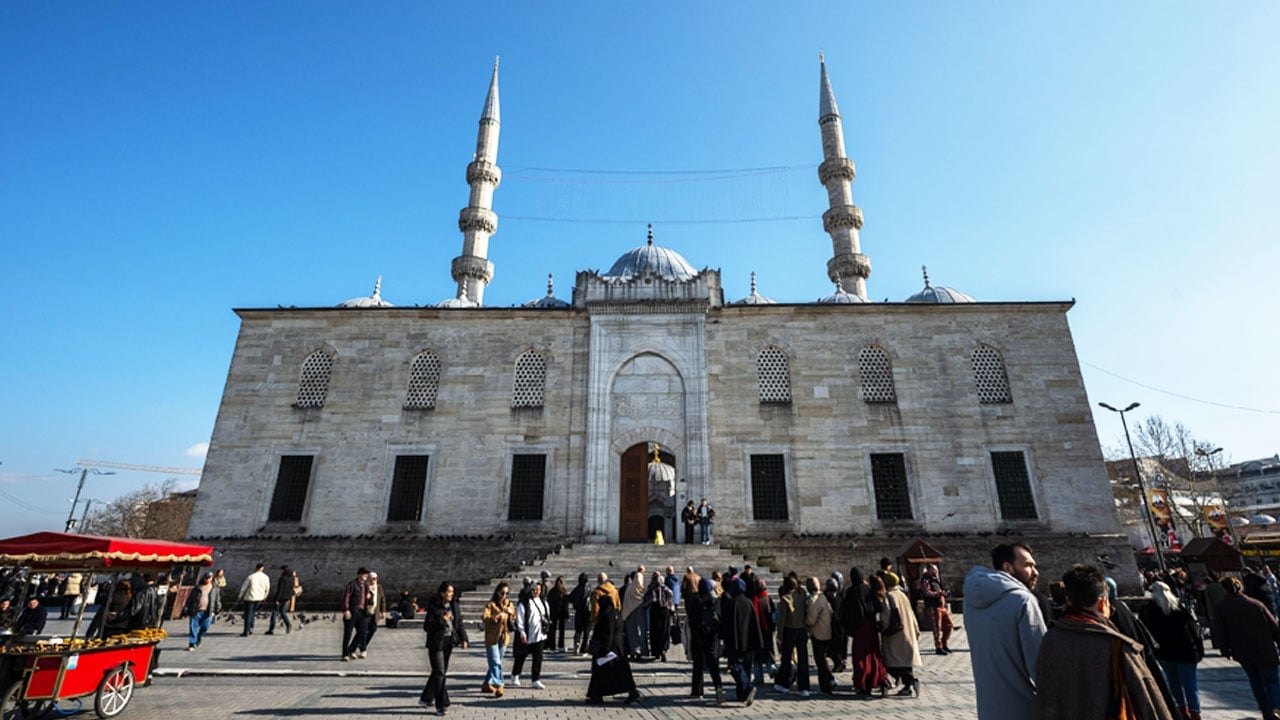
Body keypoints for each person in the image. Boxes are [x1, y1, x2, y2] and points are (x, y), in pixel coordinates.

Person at [1035, 564, 1176, 720]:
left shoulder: (1050, 639)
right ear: (1102, 603)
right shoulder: (1116, 646)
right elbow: (1148, 702)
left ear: (1069, 601)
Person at [963, 542, 1047, 720]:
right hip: (1025, 708)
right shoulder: (1024, 601)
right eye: (1028, 565)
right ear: (1008, 567)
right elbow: (1041, 665)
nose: (1035, 571)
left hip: (989, 709)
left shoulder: (969, 601)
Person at [1213, 575, 1280, 719]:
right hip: (1265, 649)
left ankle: (1266, 711)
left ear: (1224, 590)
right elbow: (1274, 627)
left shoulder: (1221, 608)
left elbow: (1221, 632)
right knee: (1272, 681)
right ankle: (1277, 708)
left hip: (1243, 651)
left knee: (1256, 682)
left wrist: (1225, 650)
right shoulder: (1256, 604)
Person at [1140, 580, 1204, 720]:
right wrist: (1199, 649)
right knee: (1190, 683)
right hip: (1186, 651)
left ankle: (1181, 709)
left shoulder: (1148, 609)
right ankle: (1195, 712)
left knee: (1173, 681)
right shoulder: (1179, 607)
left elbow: (1145, 632)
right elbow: (1194, 631)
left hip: (1164, 652)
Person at [419, 581, 468, 716]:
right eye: (449, 592)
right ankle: (441, 705)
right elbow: (427, 626)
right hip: (436, 643)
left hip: (448, 642)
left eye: (452, 591)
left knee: (439, 673)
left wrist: (464, 638)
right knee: (440, 673)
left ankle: (426, 698)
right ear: (442, 593)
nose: (451, 594)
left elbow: (459, 623)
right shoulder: (434, 606)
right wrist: (441, 620)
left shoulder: (454, 605)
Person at [586, 591, 640, 704]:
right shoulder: (617, 613)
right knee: (621, 671)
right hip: (618, 647)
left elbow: (608, 633)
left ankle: (597, 695)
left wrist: (605, 649)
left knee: (599, 670)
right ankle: (631, 690)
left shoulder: (606, 614)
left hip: (609, 647)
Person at [844, 568, 889, 697]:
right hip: (871, 625)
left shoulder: (851, 592)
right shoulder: (868, 589)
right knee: (874, 653)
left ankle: (863, 684)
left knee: (860, 656)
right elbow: (877, 606)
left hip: (859, 628)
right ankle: (880, 678)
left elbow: (847, 613)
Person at [719, 577, 760, 705]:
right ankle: (742, 694)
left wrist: (723, 639)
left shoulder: (732, 603)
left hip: (735, 640)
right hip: (748, 640)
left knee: (735, 666)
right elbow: (755, 622)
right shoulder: (749, 602)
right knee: (746, 667)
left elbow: (726, 624)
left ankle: (747, 688)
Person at [881, 573, 921, 697]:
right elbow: (911, 613)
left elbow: (886, 615)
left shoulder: (889, 595)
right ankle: (908, 685)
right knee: (905, 661)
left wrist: (882, 626)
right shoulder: (903, 595)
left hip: (895, 634)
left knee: (891, 662)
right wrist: (916, 629)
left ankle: (910, 682)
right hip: (907, 631)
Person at [688, 577, 725, 704]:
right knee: (713, 664)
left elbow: (691, 620)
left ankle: (697, 690)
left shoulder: (695, 601)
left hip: (698, 637)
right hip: (711, 638)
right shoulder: (714, 600)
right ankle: (718, 687)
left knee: (698, 664)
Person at [773, 575, 811, 696]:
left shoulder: (785, 599)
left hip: (789, 631)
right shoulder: (802, 594)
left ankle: (784, 684)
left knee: (786, 659)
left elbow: (781, 620)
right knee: (803, 659)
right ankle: (804, 687)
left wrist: (779, 635)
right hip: (801, 630)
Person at [512, 580, 550, 689]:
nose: (537, 592)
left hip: (540, 635)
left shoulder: (543, 602)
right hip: (527, 634)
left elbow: (547, 616)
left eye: (539, 590)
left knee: (538, 657)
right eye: (535, 590)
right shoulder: (524, 602)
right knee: (521, 656)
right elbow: (520, 619)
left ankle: (536, 679)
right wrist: (522, 632)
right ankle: (515, 674)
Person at [481, 582, 514, 697]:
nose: (504, 595)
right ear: (497, 592)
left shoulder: (509, 604)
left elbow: (515, 617)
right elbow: (484, 617)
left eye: (506, 593)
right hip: (492, 637)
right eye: (502, 593)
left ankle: (486, 683)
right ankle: (499, 684)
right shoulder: (490, 605)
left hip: (504, 637)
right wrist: (495, 617)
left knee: (497, 661)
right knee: (495, 661)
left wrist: (511, 613)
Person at [805, 576, 835, 694]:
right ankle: (830, 680)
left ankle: (825, 685)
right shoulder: (823, 598)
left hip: (818, 634)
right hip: (826, 631)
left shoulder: (814, 601)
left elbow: (810, 620)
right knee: (823, 660)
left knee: (820, 661)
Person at [183, 572, 221, 650]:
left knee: (205, 627)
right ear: (203, 578)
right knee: (193, 627)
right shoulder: (197, 588)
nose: (207, 579)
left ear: (211, 578)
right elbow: (190, 599)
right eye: (206, 578)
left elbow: (217, 599)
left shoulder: (215, 588)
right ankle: (192, 643)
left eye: (209, 578)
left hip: (208, 611)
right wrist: (186, 608)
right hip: (196, 611)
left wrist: (218, 609)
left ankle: (199, 637)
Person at [920, 564, 953, 654]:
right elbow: (926, 592)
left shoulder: (937, 580)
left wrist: (945, 593)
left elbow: (942, 590)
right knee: (937, 628)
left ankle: (944, 643)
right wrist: (938, 593)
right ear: (929, 570)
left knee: (949, 625)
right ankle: (938, 646)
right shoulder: (926, 580)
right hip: (933, 606)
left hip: (942, 606)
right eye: (933, 570)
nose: (935, 572)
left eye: (936, 570)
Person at [340, 567, 371, 661]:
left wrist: (368, 597)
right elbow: (347, 597)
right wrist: (346, 609)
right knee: (348, 634)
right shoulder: (352, 584)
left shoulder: (365, 585)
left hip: (361, 612)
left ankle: (351, 649)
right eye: (364, 573)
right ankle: (345, 654)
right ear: (359, 574)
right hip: (352, 611)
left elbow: (365, 597)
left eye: (367, 574)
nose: (366, 575)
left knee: (363, 631)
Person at [644, 570, 675, 662]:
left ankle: (656, 652)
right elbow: (671, 601)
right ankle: (663, 650)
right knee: (664, 631)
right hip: (665, 612)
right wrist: (673, 611)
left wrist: (645, 606)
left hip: (655, 611)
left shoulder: (652, 589)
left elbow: (649, 600)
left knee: (655, 631)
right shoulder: (667, 589)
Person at [237, 563, 270, 637]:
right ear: (263, 568)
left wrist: (240, 596)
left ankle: (246, 631)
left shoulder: (251, 577)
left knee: (248, 614)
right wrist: (265, 596)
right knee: (253, 613)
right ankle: (251, 628)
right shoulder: (266, 577)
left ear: (256, 568)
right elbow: (267, 588)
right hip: (259, 598)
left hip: (250, 597)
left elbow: (244, 588)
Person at [361, 571, 388, 656]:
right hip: (366, 613)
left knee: (373, 630)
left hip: (375, 612)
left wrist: (383, 611)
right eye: (372, 578)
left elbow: (383, 600)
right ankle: (363, 649)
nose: (374, 580)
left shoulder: (379, 587)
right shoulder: (365, 587)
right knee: (364, 631)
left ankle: (363, 645)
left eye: (375, 578)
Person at [621, 571, 647, 658]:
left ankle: (634, 649)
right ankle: (639, 650)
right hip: (635, 612)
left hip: (629, 612)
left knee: (633, 631)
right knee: (638, 630)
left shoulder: (629, 588)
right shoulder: (642, 590)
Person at [266, 565, 294, 635]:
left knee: (274, 613)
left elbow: (280, 589)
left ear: (283, 570)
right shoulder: (292, 578)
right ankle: (288, 624)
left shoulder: (282, 578)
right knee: (282, 612)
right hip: (287, 597)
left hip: (280, 598)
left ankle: (271, 629)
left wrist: (277, 599)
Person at [567, 572, 591, 654]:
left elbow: (570, 598)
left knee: (578, 630)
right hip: (587, 613)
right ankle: (584, 648)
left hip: (579, 612)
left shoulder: (577, 589)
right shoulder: (589, 589)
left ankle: (577, 642)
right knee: (586, 631)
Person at [547, 575, 569, 653]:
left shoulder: (552, 591)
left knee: (552, 631)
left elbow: (549, 603)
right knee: (561, 631)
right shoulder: (564, 592)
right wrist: (567, 615)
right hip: (562, 613)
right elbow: (566, 605)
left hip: (553, 613)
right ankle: (561, 646)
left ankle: (552, 647)